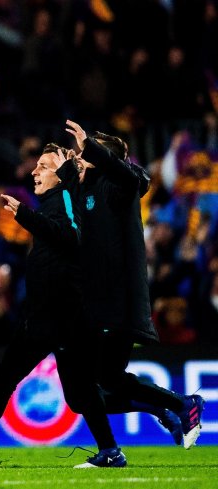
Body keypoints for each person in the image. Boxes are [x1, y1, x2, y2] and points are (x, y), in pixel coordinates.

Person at [0, 144, 126, 468]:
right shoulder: (54, 201)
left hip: (59, 313)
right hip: (53, 312)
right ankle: (113, 447)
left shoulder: (63, 196)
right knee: (79, 392)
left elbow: (71, 236)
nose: (34, 171)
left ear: (60, 174)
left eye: (43, 166)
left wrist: (25, 216)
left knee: (7, 377)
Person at [63, 121, 204, 449]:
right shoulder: (90, 191)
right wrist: (68, 168)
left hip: (120, 301)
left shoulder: (121, 186)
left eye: (89, 152)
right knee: (102, 381)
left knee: (102, 380)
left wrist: (91, 148)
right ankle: (175, 405)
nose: (82, 156)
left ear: (105, 158)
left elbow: (131, 176)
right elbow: (74, 211)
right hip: (100, 302)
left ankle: (179, 405)